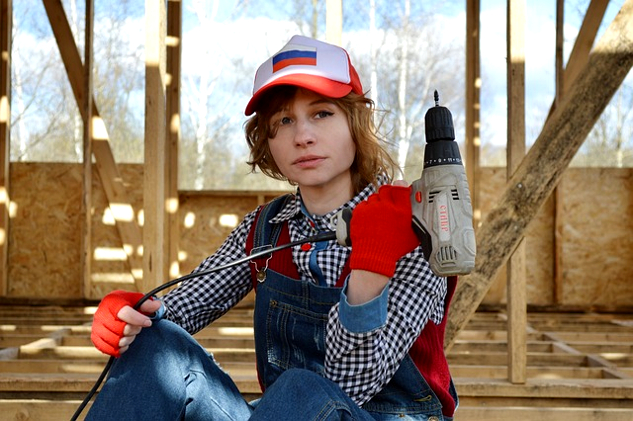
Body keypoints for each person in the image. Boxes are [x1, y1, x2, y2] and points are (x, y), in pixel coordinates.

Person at [86, 34, 458, 420]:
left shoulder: (414, 228)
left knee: (302, 388)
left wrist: (369, 271)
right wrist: (133, 315)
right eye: (284, 120)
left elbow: (354, 383)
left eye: (322, 113)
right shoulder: (265, 229)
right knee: (156, 343)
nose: (303, 136)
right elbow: (183, 310)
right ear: (268, 140)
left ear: (355, 123)